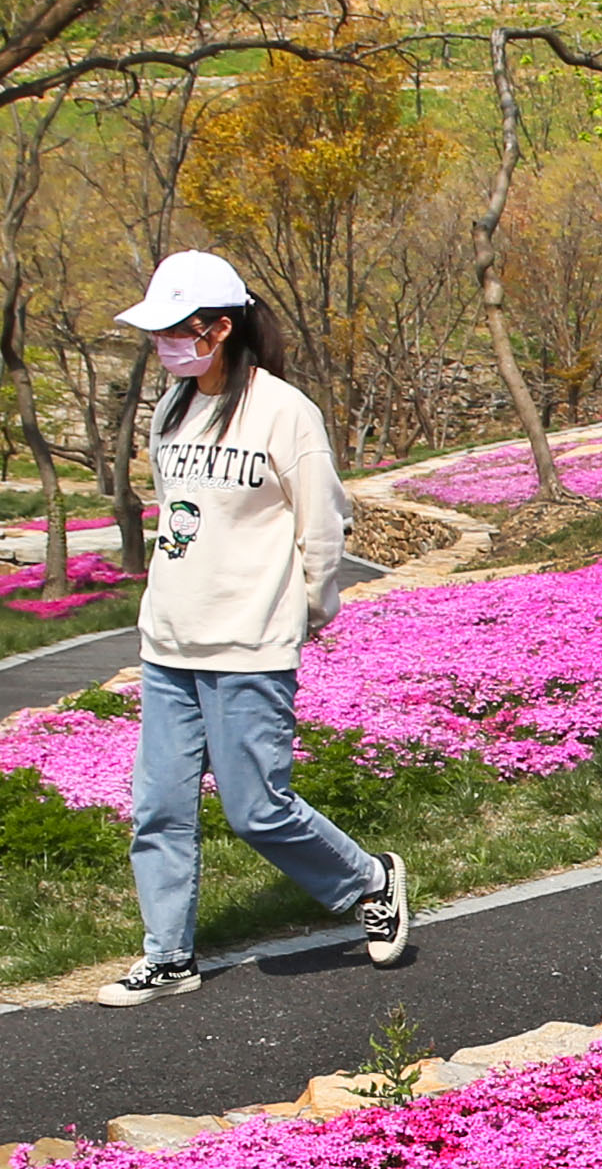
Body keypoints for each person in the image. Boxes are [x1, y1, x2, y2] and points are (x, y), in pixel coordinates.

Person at [93, 250, 408, 1005]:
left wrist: (308, 604)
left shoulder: (282, 411)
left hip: (249, 642)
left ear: (219, 327)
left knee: (256, 807)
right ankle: (168, 954)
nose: (163, 344)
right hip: (169, 639)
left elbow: (323, 520)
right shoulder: (171, 408)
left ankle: (370, 880)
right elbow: (179, 516)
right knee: (158, 807)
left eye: (176, 330)